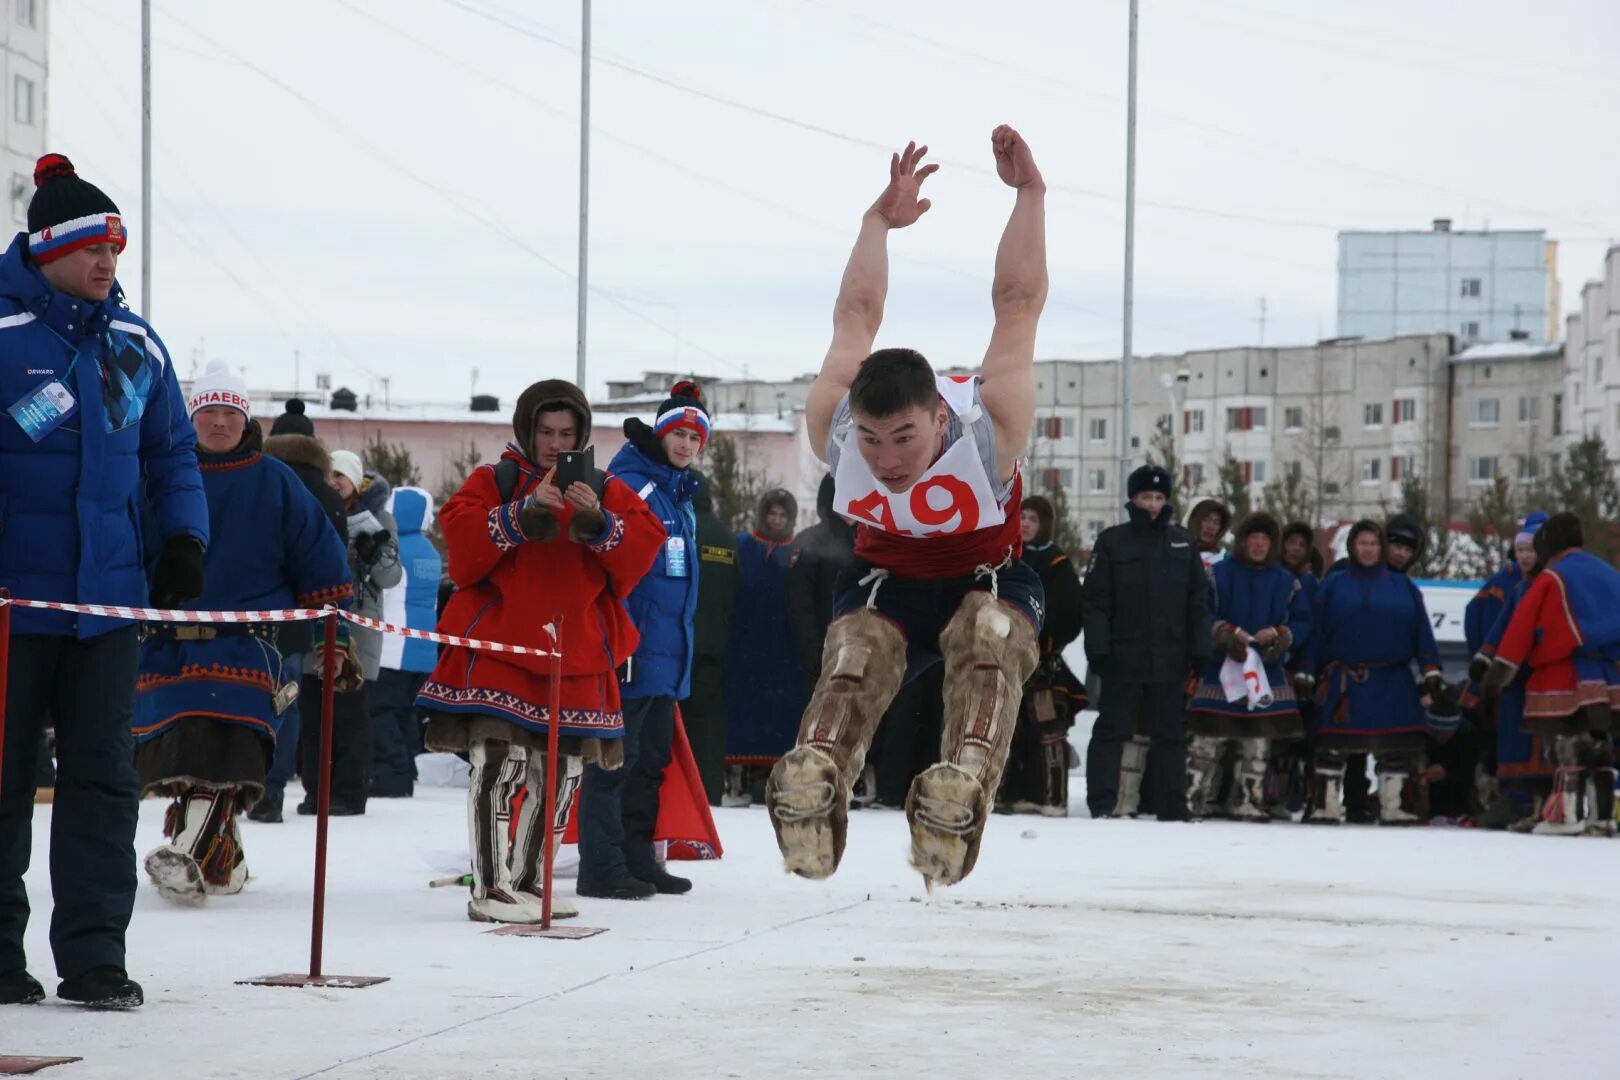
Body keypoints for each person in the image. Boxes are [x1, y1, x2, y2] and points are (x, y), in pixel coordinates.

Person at [765, 127, 1046, 888]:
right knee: (856, 650)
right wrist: (875, 224)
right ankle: (815, 782)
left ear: (938, 419)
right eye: (875, 441)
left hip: (987, 578)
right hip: (889, 584)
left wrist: (1029, 194)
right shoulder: (837, 423)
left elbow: (1017, 304)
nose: (886, 461)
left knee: (985, 639)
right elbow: (855, 313)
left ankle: (957, 792)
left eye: (906, 440)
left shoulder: (994, 423)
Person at [0, 154, 208, 1009]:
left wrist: (185, 538)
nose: (107, 265)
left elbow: (171, 453)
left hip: (107, 610)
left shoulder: (134, 343)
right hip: (13, 611)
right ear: (47, 248)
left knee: (103, 785)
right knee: (4, 783)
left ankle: (93, 959)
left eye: (115, 251)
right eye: (92, 247)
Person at [417, 379, 664, 923]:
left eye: (567, 433)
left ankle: (530, 881)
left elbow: (641, 551)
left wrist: (596, 520)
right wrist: (519, 514)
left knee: (562, 777)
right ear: (527, 431)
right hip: (502, 649)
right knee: (498, 767)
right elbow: (461, 552)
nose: (556, 443)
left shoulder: (603, 486)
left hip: (573, 655)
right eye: (546, 432)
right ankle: (490, 885)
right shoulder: (494, 480)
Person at [134, 364, 353, 903]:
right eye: (208, 411)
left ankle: (187, 853)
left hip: (250, 645)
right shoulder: (159, 478)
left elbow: (320, 559)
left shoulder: (277, 480)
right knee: (182, 756)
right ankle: (221, 862)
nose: (219, 421)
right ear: (192, 417)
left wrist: (335, 639)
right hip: (170, 642)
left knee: (224, 752)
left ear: (246, 419)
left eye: (230, 411)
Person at [580, 381, 707, 900]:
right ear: (660, 434)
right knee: (615, 762)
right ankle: (602, 867)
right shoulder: (633, 485)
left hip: (667, 653)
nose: (684, 444)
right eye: (677, 433)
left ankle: (637, 857)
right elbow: (614, 570)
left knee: (650, 759)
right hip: (633, 650)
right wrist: (621, 644)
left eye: (694, 437)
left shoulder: (680, 495)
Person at [1082, 466, 1210, 822]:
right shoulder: (1112, 542)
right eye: (1145, 497)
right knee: (1112, 730)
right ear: (1133, 499)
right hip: (1123, 656)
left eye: (1158, 498)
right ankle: (1103, 802)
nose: (1152, 505)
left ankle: (1171, 805)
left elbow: (1198, 602)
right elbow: (1095, 603)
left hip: (1170, 658)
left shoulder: (1183, 542)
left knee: (1170, 734)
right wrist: (1100, 650)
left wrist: (1200, 650)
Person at [1480, 512, 1620, 836]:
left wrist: (1497, 676)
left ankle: (1565, 815)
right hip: (1607, 676)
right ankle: (1602, 818)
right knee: (1599, 746)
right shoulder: (1610, 574)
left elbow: (1521, 629)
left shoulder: (1551, 578)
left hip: (1563, 675)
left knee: (1566, 744)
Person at [1300, 520, 1444, 826]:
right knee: (1332, 748)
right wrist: (1306, 672)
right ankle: (1325, 805)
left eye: (1373, 544)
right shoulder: (1334, 584)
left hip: (1393, 681)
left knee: (1396, 751)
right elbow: (1315, 633)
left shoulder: (1404, 587)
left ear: (1381, 548)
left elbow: (1422, 633)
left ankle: (1393, 806)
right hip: (1344, 681)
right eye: (1362, 543)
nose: (1368, 549)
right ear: (1352, 546)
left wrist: (1431, 670)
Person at [251, 421, 347, 823]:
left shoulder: (257, 482)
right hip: (299, 621)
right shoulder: (328, 495)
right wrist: (335, 635)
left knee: (243, 701)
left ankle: (242, 783)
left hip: (249, 615)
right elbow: (337, 564)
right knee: (287, 704)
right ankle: (272, 790)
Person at [1184, 513, 1309, 820]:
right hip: (1220, 670)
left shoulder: (1286, 582)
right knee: (1206, 742)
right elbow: (1200, 614)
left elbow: (1304, 621)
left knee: (1258, 744)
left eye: (1265, 539)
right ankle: (1191, 798)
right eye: (1253, 538)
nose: (1258, 544)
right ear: (1242, 541)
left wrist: (1280, 635)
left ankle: (1249, 801)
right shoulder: (1217, 574)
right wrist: (1224, 632)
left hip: (1266, 673)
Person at [295, 450, 400, 816]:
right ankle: (316, 791)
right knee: (313, 713)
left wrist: (373, 554)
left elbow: (391, 576)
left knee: (350, 716)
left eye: (342, 475)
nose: (335, 482)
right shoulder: (315, 511)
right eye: (330, 474)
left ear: (355, 482)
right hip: (317, 625)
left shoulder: (378, 518)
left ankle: (350, 792)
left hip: (359, 631)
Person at [1463, 512, 1551, 829]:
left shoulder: (1550, 585)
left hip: (1543, 679)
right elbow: (1489, 626)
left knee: (1543, 746)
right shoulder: (1510, 588)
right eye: (1521, 549)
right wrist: (1487, 661)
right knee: (1512, 742)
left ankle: (1542, 805)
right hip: (1512, 681)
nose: (1526, 555)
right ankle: (1516, 801)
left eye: (1532, 549)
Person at [999, 495, 1085, 815]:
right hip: (1004, 658)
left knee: (1049, 726)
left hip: (1043, 660)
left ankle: (1053, 797)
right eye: (1022, 518)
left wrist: (1044, 642)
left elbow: (1069, 611)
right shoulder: (1002, 556)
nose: (1026, 524)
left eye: (1033, 519)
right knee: (1009, 726)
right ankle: (1007, 794)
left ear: (1044, 525)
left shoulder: (1056, 562)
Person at [724, 488, 802, 802]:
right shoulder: (743, 545)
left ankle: (773, 777)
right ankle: (740, 776)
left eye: (782, 515)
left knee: (780, 713)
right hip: (745, 638)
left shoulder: (797, 550)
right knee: (744, 709)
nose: (776, 520)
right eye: (772, 514)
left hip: (783, 644)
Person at [369, 485, 442, 798]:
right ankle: (408, 769)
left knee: (381, 711)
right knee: (406, 714)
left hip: (393, 647)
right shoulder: (430, 551)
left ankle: (391, 776)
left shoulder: (394, 548)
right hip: (424, 649)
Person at [684, 471, 736, 805]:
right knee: (707, 725)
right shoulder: (726, 537)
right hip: (715, 647)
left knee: (674, 726)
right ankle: (709, 790)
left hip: (678, 644)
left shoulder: (678, 528)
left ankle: (680, 795)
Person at [1187, 499, 1231, 574]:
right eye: (1206, 519)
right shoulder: (1179, 551)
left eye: (1216, 523)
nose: (1210, 526)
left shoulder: (1225, 559)